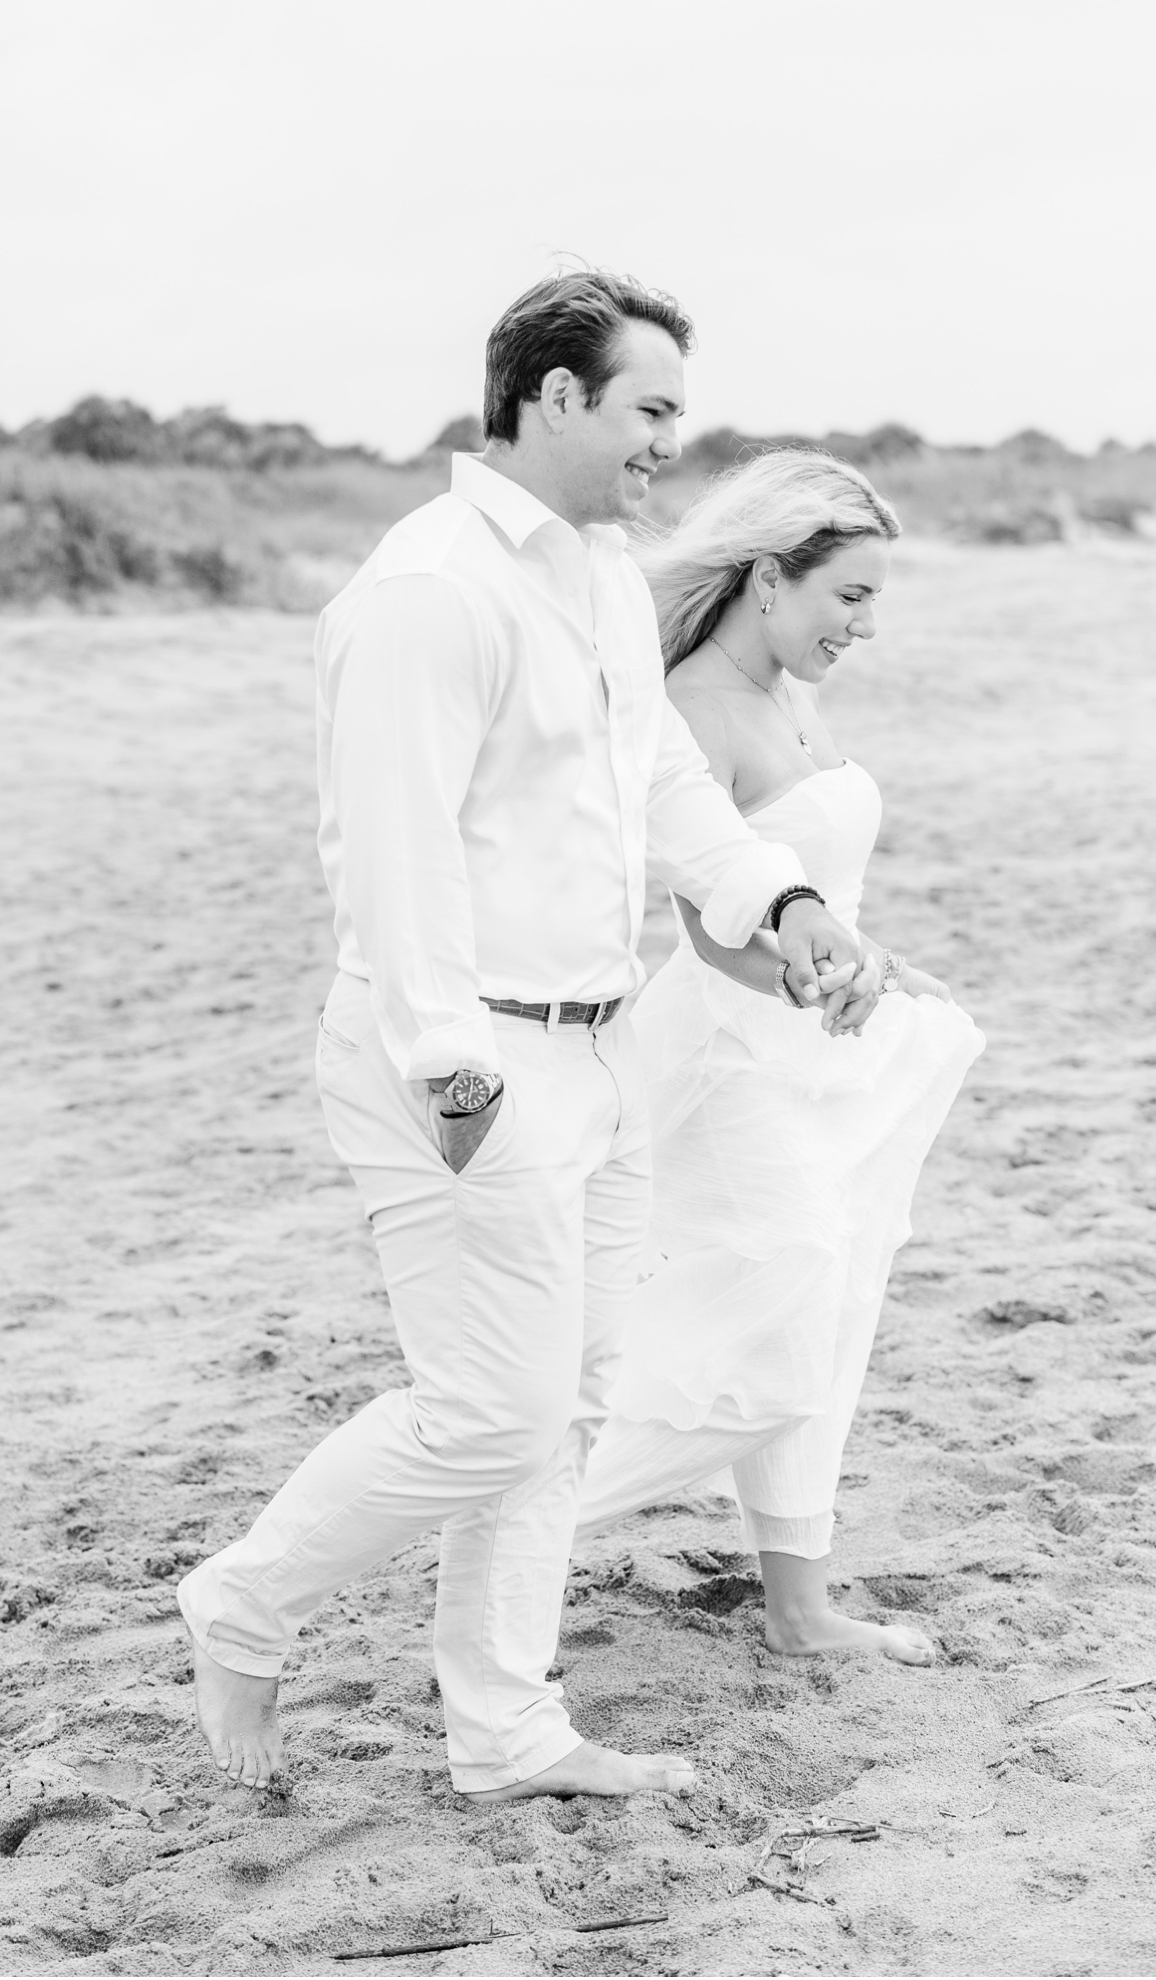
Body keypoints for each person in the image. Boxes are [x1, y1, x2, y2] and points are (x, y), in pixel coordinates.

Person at [176, 273, 866, 1798]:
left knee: (568, 1413)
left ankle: (504, 1729)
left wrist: (783, 897)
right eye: (649, 409)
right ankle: (244, 1598)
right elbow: (393, 846)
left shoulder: (606, 577)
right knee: (495, 1410)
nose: (670, 444)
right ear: (554, 398)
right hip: (465, 1059)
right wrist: (448, 1065)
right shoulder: (429, 588)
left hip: (599, 1045)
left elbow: (666, 789)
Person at [576, 448, 986, 1665]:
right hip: (730, 1061)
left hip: (820, 1048)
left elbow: (814, 885)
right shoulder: (695, 704)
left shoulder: (791, 690)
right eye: (846, 597)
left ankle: (800, 1606)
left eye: (873, 600)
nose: (862, 626)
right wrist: (811, 977)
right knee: (777, 1295)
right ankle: (529, 1519)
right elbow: (710, 934)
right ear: (767, 579)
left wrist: (868, 960)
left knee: (834, 1296)